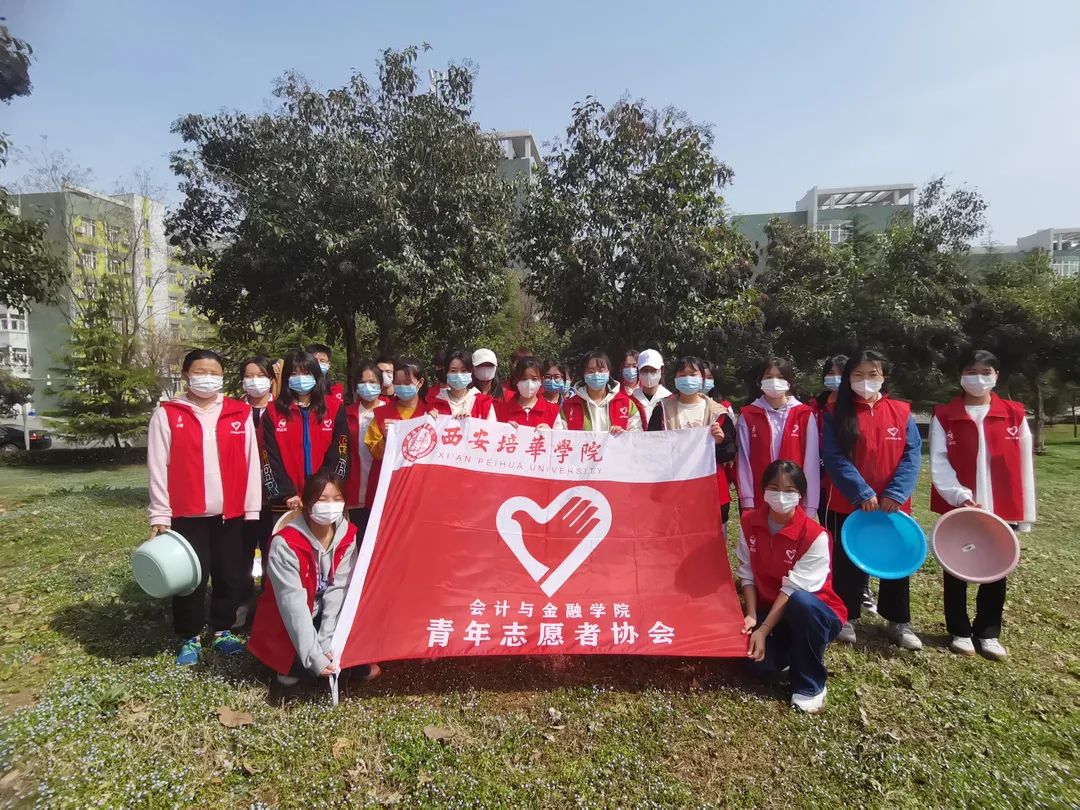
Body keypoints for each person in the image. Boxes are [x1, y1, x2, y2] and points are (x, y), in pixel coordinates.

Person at [147, 349, 261, 666]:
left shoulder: (238, 413)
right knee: (190, 580)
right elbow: (158, 467)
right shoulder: (168, 414)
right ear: (186, 374)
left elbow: (251, 462)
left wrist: (251, 508)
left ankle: (223, 629)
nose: (207, 378)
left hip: (231, 513)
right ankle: (190, 636)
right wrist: (160, 513)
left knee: (230, 574)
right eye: (200, 371)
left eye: (214, 372)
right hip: (188, 514)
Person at [930, 349, 1035, 661]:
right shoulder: (945, 416)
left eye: (985, 372)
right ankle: (959, 630)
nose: (978, 378)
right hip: (961, 505)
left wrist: (1023, 512)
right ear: (960, 376)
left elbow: (1024, 465)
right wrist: (960, 496)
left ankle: (988, 632)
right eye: (971, 371)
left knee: (997, 567)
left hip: (1001, 506)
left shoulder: (1014, 414)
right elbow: (939, 462)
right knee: (956, 567)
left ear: (996, 376)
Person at [822, 349, 923, 650]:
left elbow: (912, 455)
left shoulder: (901, 411)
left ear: (883, 377)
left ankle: (898, 621)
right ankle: (846, 616)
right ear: (848, 378)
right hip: (848, 503)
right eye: (858, 374)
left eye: (872, 374)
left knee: (896, 559)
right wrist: (861, 492)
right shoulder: (835, 413)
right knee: (846, 561)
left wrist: (895, 493)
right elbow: (834, 457)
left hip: (892, 506)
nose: (865, 380)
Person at [248, 471, 381, 687]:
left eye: (337, 499)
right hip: (290, 618)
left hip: (324, 614)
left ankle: (328, 660)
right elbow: (293, 604)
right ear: (307, 503)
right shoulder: (284, 544)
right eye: (322, 499)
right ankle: (297, 663)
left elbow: (339, 590)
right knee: (294, 674)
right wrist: (314, 657)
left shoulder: (347, 536)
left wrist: (327, 644)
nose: (330, 506)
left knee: (357, 665)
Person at [737, 460, 847, 713]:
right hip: (771, 609)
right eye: (774, 488)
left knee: (801, 603)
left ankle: (811, 685)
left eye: (789, 490)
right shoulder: (749, 523)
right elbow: (747, 572)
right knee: (755, 663)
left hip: (814, 611)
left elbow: (792, 589)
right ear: (763, 490)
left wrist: (764, 629)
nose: (780, 496)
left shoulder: (814, 535)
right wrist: (751, 615)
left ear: (800, 495)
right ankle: (789, 653)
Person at [646, 356, 736, 524]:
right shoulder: (662, 410)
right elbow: (651, 448)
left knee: (711, 537)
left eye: (693, 374)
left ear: (702, 378)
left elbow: (730, 452)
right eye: (682, 374)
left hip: (711, 490)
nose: (688, 379)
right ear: (675, 378)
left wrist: (719, 442)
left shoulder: (718, 412)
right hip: (672, 489)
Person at [262, 350, 350, 512]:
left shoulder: (334, 408)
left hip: (326, 497)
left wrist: (327, 488)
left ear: (316, 375)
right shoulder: (273, 412)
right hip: (288, 501)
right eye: (294, 373)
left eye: (306, 373)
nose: (300, 378)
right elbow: (269, 456)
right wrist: (287, 494)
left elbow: (340, 452)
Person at [737, 358, 820, 519]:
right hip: (760, 496)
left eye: (780, 377)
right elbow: (743, 461)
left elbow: (811, 463)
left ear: (789, 382)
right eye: (768, 377)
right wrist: (747, 502)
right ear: (759, 381)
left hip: (793, 496)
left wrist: (810, 505)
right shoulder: (748, 415)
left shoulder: (803, 414)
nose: (774, 381)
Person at [364, 357, 431, 506]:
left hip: (418, 487)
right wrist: (385, 439)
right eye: (397, 383)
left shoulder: (430, 414)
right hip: (386, 486)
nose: (402, 387)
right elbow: (375, 453)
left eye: (407, 383)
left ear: (420, 382)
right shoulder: (381, 414)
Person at [239, 355, 277, 608]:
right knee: (240, 552)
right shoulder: (234, 410)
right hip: (241, 496)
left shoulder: (282, 410)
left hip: (274, 497)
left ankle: (268, 603)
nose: (255, 381)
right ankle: (241, 602)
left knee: (272, 550)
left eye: (261, 376)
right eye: (249, 376)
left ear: (271, 379)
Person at [344, 360, 388, 537]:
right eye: (363, 382)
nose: (368, 387)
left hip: (383, 489)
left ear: (381, 385)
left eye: (372, 382)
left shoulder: (392, 411)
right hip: (356, 489)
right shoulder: (346, 413)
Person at [562, 350, 643, 433]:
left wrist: (624, 435)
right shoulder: (568, 405)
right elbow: (560, 435)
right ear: (584, 374)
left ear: (608, 373)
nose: (596, 375)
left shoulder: (626, 403)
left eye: (601, 371)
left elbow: (637, 433)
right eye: (591, 371)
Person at [428, 349, 497, 419]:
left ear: (471, 372)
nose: (458, 375)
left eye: (463, 371)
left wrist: (470, 422)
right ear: (446, 373)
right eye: (453, 371)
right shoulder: (433, 403)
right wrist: (428, 419)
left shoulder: (484, 403)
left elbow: (491, 425)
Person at [496, 356, 564, 428]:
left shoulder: (552, 411)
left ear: (541, 380)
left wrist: (550, 432)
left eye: (534, 379)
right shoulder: (500, 410)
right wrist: (503, 429)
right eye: (524, 378)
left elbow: (559, 434)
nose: (529, 383)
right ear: (516, 380)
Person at [631, 349, 671, 430]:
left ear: (661, 370)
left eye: (653, 370)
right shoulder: (631, 400)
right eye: (644, 370)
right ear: (638, 371)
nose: (648, 374)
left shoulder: (669, 399)